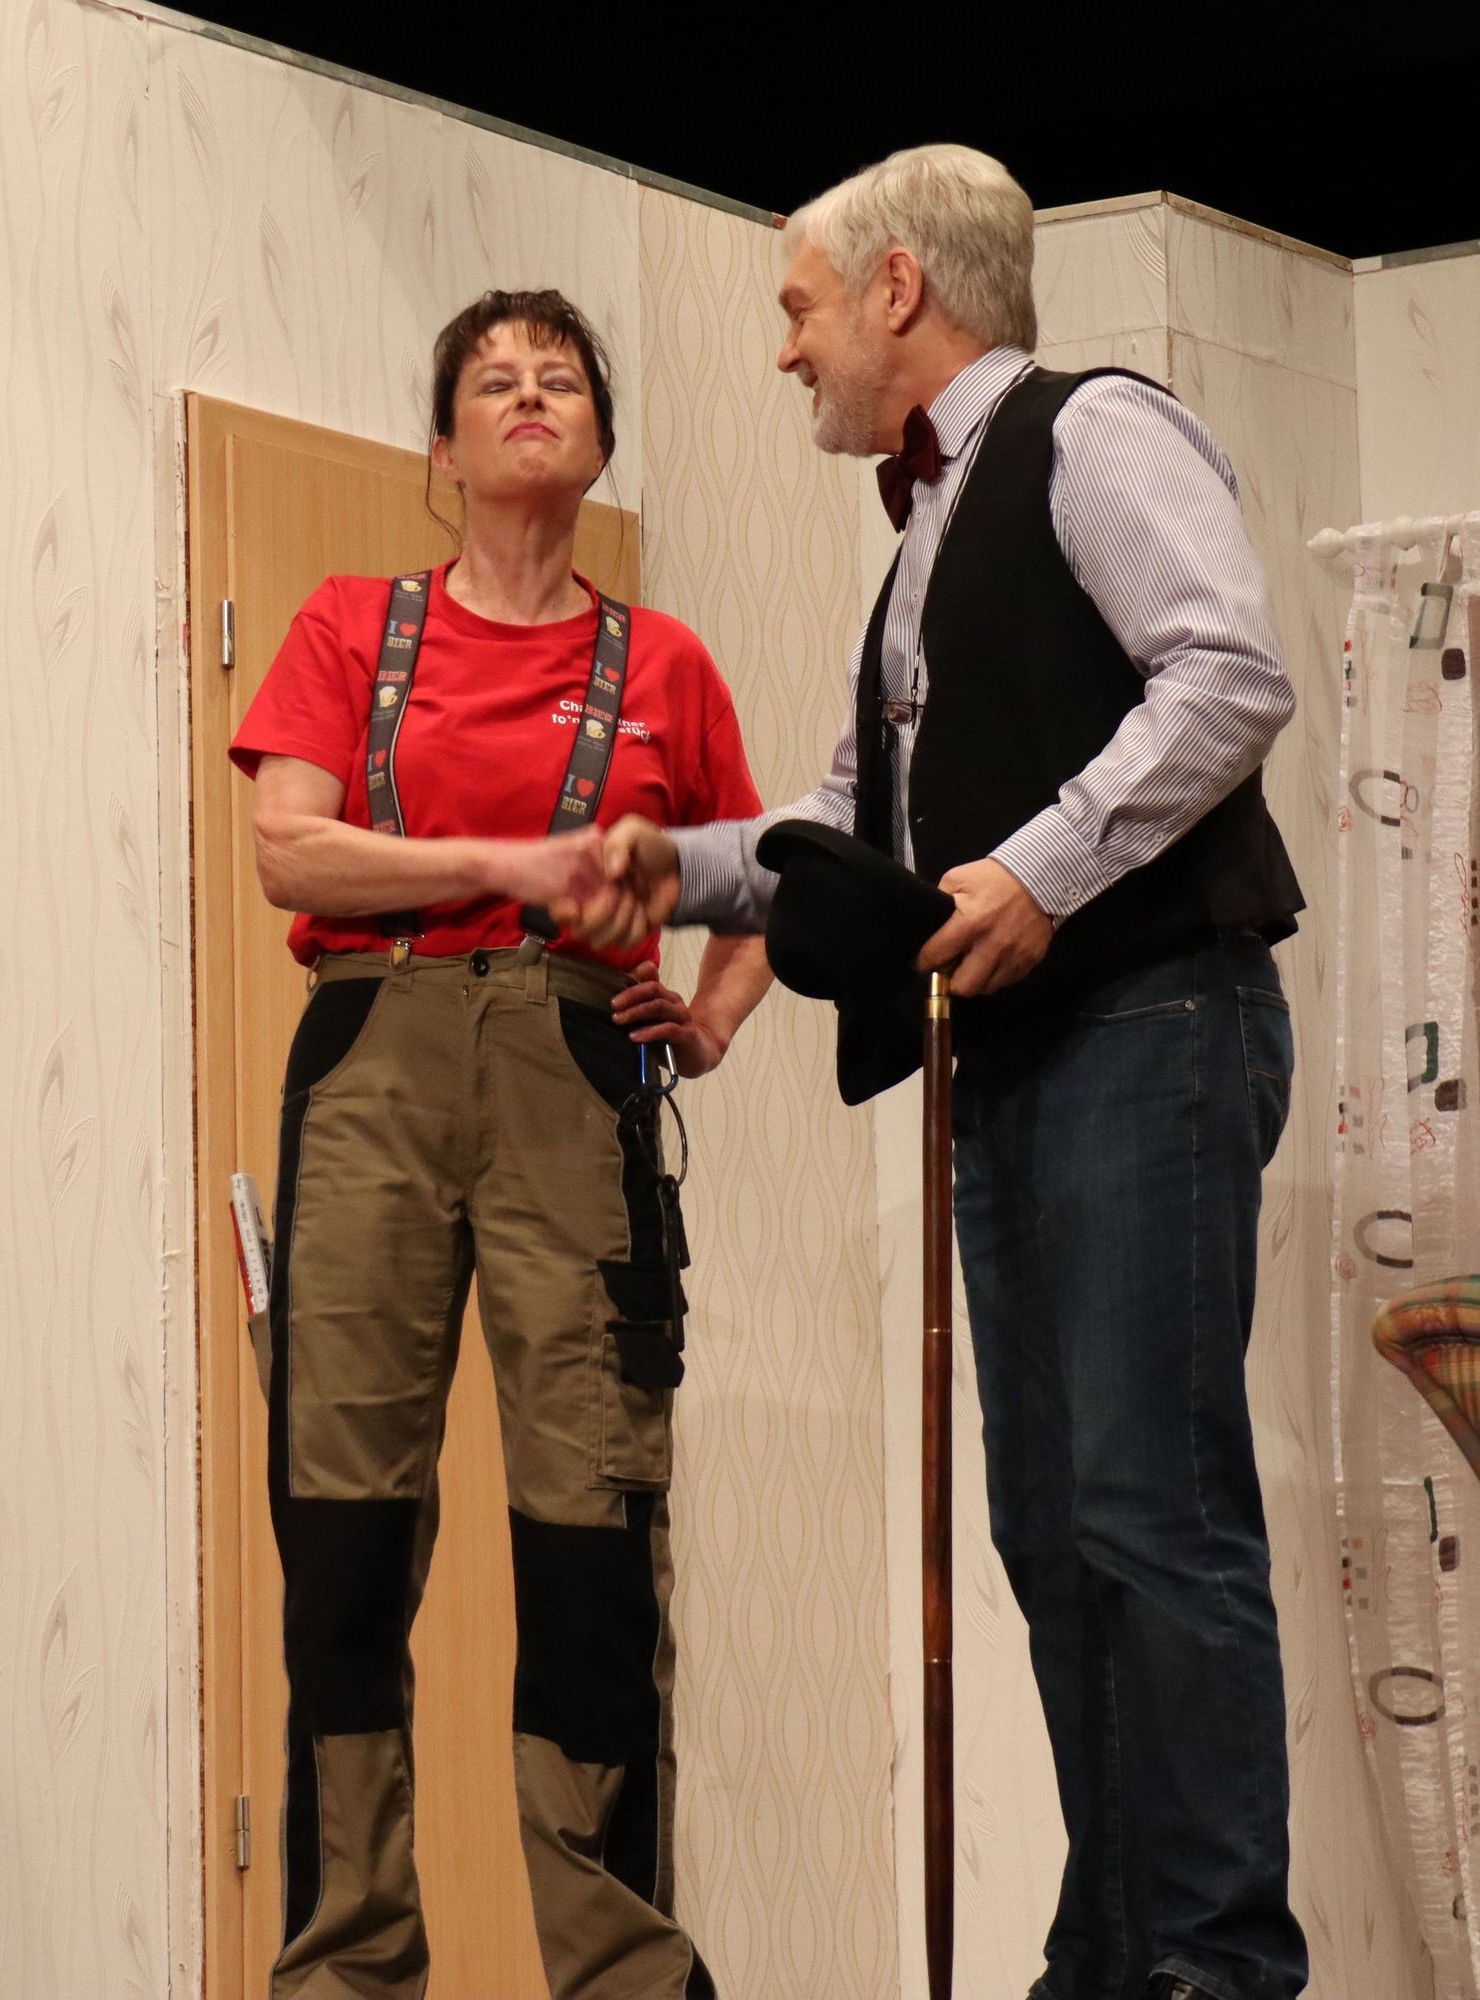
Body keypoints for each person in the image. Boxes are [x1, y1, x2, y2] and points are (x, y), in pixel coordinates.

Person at [561, 147, 1311, 2000]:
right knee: (1054, 1527)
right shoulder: (926, 536)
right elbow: (852, 823)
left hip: (1151, 1028)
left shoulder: (1090, 432)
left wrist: (1039, 871)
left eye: (799, 308)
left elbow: (1227, 674)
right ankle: (1116, 1947)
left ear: (898, 288)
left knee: (1151, 1512)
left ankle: (1216, 1962)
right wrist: (675, 870)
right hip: (1030, 1065)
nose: (786, 353)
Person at [230, 288, 768, 2000]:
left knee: (593, 1538)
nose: (529, 397)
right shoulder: (347, 626)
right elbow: (291, 850)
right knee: (342, 1541)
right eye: (493, 380)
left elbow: (759, 876)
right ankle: (346, 1968)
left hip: (574, 1072)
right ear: (443, 447)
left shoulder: (666, 663)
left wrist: (716, 1014)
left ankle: (620, 1973)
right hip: (371, 1065)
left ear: (598, 440)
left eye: (560, 381)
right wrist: (506, 867)